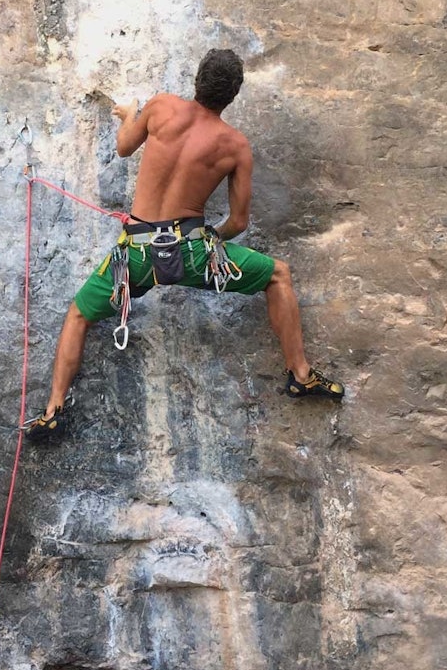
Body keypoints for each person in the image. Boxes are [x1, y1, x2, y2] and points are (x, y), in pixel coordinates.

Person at [25, 49, 343, 442]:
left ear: (197, 79)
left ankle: (53, 410)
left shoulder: (160, 107)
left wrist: (129, 115)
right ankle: (300, 374)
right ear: (233, 95)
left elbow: (124, 147)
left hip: (136, 255)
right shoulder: (235, 146)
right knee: (278, 275)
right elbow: (238, 222)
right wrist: (208, 241)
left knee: (78, 314)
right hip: (193, 254)